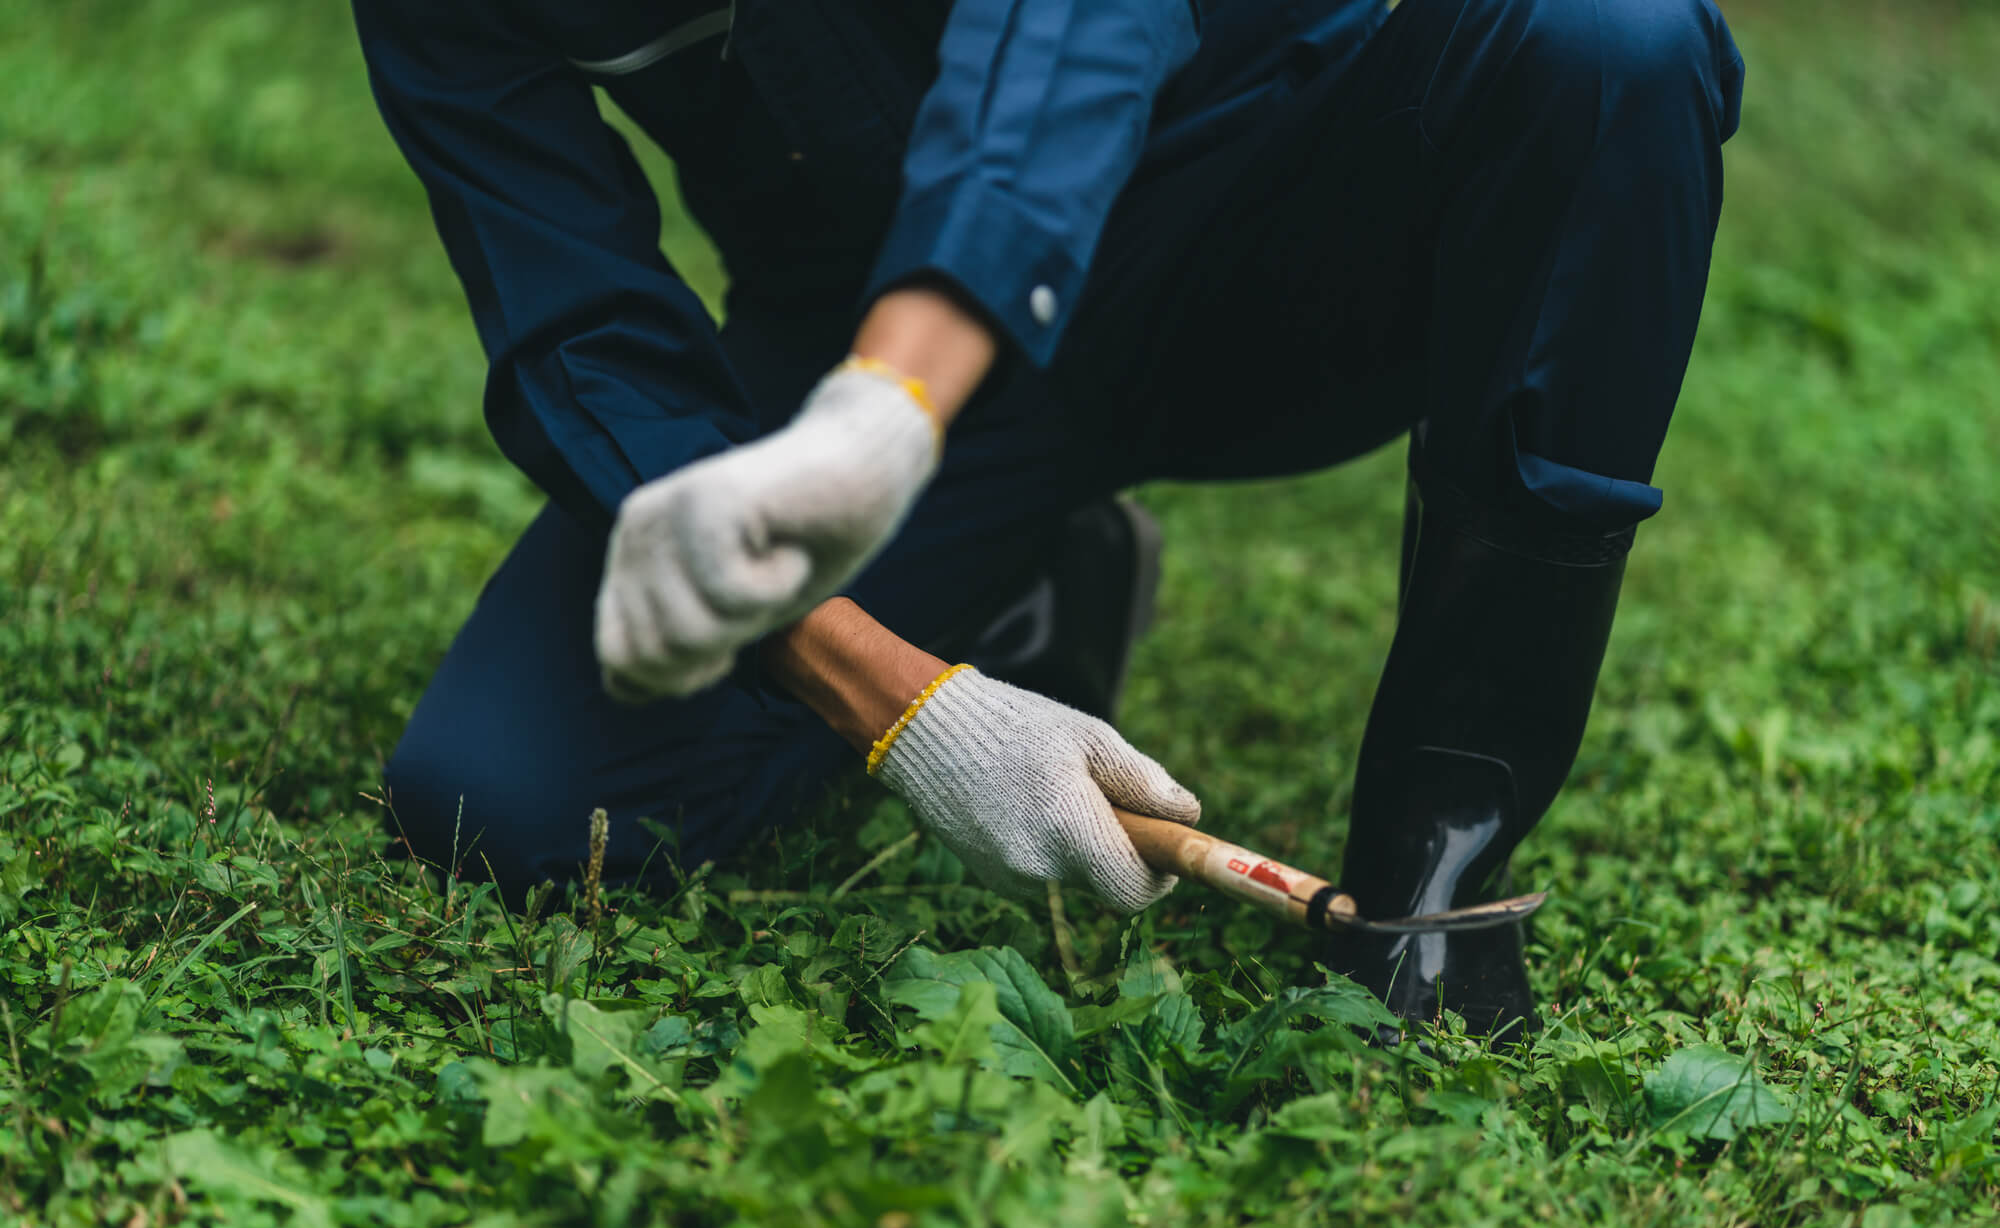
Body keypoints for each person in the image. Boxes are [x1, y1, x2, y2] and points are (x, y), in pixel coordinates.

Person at [354, 0, 1744, 1039]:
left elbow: (1075, 30)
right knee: (504, 787)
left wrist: (893, 404)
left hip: (1244, 220)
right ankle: (1025, 587)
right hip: (861, 340)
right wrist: (904, 700)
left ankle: (1430, 883)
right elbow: (575, 327)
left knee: (1609, 41)